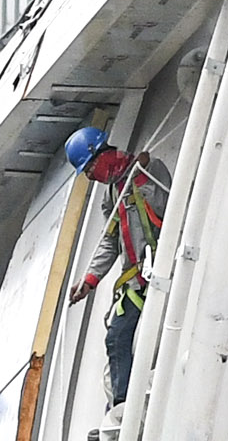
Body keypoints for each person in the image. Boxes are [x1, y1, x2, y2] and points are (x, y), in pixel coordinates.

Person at [63, 126, 170, 405]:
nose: (90, 176)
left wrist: (142, 180)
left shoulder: (150, 171)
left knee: (151, 339)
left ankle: (131, 405)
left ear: (102, 155)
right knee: (117, 338)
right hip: (137, 281)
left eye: (90, 169)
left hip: (165, 271)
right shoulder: (111, 195)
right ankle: (122, 406)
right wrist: (89, 280)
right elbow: (109, 241)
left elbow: (169, 207)